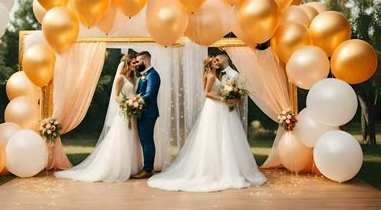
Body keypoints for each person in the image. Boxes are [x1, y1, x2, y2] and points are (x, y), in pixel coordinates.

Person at [147, 55, 266, 192]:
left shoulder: (219, 76)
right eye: (214, 61)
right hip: (214, 107)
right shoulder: (210, 76)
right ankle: (213, 170)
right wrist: (223, 99)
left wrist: (231, 97)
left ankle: (225, 168)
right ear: (210, 64)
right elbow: (207, 93)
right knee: (213, 135)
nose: (216, 62)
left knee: (225, 135)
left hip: (221, 107)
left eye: (217, 60)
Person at [54, 54, 142, 183]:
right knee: (121, 139)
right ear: (127, 64)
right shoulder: (120, 78)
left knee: (131, 138)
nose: (136, 65)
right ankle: (115, 167)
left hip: (131, 114)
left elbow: (133, 93)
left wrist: (134, 102)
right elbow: (116, 96)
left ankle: (130, 167)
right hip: (123, 112)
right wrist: (126, 103)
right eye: (134, 63)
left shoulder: (133, 78)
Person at [131, 51, 161, 179]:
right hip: (143, 112)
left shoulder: (153, 75)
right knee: (145, 140)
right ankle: (148, 167)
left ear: (145, 61)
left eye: (138, 61)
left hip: (148, 113)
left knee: (147, 140)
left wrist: (134, 101)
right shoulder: (145, 75)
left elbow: (149, 94)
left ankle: (148, 169)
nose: (136, 64)